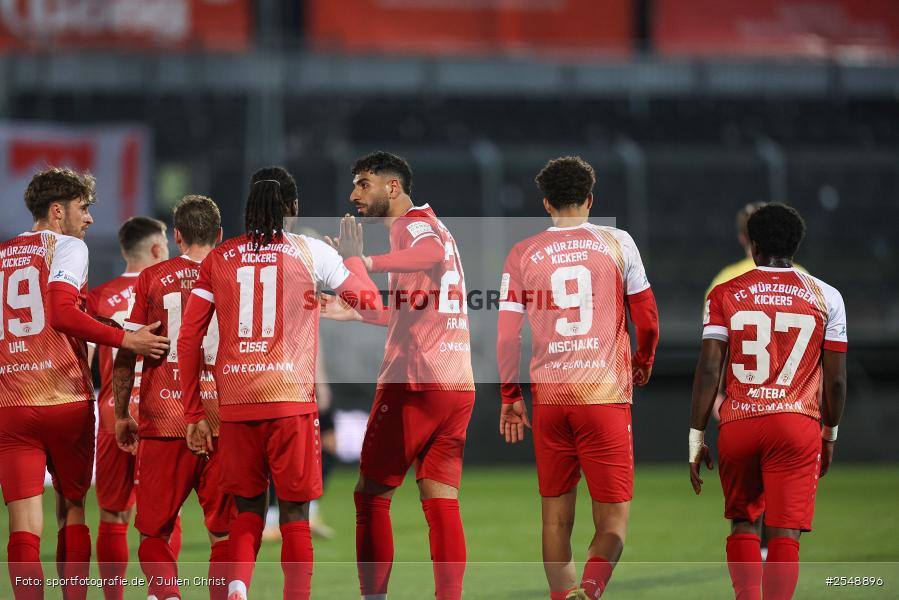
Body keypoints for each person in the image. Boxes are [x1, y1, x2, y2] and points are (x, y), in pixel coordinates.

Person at [177, 167, 383, 600]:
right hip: (290, 403)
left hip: (236, 404)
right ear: (293, 207)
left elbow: (189, 337)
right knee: (294, 516)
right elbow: (374, 308)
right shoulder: (311, 252)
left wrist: (194, 410)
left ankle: (237, 587)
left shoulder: (219, 258)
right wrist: (351, 259)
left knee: (247, 511)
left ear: (248, 207)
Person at [0, 167, 169, 600]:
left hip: (11, 403)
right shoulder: (68, 247)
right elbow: (61, 313)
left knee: (23, 527)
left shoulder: (2, 256)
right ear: (58, 211)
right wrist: (127, 338)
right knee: (72, 510)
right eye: (84, 208)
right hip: (64, 398)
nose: (90, 218)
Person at [495, 156, 659, 600]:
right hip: (603, 396)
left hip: (550, 401)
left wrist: (510, 395)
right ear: (590, 199)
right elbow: (647, 318)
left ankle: (563, 596)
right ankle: (590, 589)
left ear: (546, 203)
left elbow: (507, 335)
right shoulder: (617, 242)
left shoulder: (522, 253)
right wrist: (643, 360)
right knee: (613, 523)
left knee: (554, 520)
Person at [323, 151, 475, 600]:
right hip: (456, 384)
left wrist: (363, 263)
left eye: (363, 183)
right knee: (440, 500)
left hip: (414, 382)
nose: (353, 194)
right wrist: (358, 312)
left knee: (370, 496)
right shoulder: (434, 225)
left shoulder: (412, 225)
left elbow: (428, 253)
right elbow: (412, 310)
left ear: (392, 187)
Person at [690, 203, 847, 600]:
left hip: (740, 420)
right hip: (795, 422)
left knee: (743, 522)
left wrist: (696, 437)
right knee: (784, 531)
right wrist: (829, 434)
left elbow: (709, 369)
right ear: (797, 245)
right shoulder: (826, 295)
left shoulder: (724, 291)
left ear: (753, 245)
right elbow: (836, 379)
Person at [114, 195, 234, 600]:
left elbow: (128, 350)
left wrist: (121, 413)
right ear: (219, 234)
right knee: (225, 532)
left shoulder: (152, 277)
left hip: (165, 417)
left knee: (154, 531)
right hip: (222, 417)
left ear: (177, 236)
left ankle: (166, 595)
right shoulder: (234, 275)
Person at [86, 216, 169, 600]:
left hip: (112, 414)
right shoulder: (170, 292)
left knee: (113, 515)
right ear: (156, 248)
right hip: (160, 413)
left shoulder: (99, 297)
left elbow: (84, 362)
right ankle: (160, 593)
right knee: (165, 515)